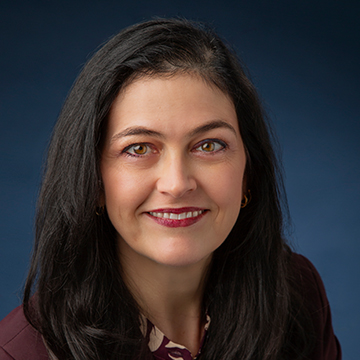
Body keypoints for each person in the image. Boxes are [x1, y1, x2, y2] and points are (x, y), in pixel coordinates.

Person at [0, 18, 341, 360]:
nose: (177, 184)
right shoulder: (19, 353)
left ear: (248, 173)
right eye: (139, 148)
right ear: (93, 181)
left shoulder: (296, 293)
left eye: (209, 145)